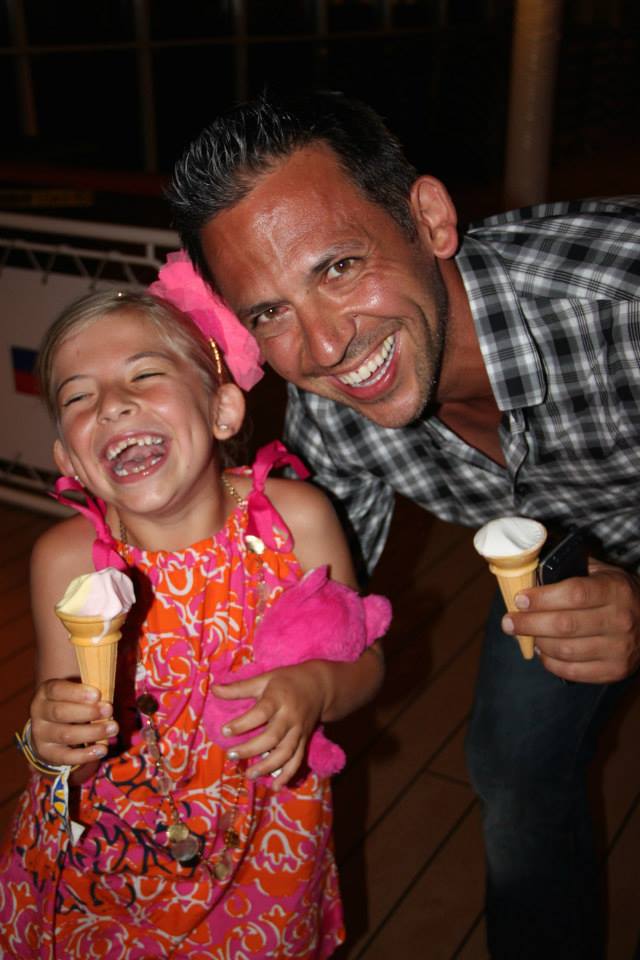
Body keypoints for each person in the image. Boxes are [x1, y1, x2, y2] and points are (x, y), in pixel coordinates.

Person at [165, 90, 640, 959]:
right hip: (558, 545)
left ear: (429, 218)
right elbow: (303, 609)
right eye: (267, 312)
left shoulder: (622, 301)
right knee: (514, 766)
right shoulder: (332, 421)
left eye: (338, 266)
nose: (324, 347)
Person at [0, 267, 387, 958]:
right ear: (70, 460)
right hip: (104, 865)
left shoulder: (296, 522)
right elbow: (60, 737)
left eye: (143, 376)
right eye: (79, 396)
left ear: (223, 411)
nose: (112, 405)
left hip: (264, 852)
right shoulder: (65, 559)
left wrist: (319, 687)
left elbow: (365, 661)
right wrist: (50, 739)